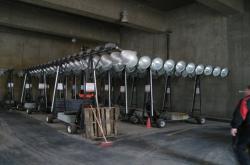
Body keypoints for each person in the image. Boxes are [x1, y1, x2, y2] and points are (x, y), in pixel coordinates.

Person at [231, 86, 250, 165]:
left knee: (239, 148)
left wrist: (234, 126)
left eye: (246, 90)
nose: (244, 91)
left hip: (248, 128)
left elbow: (240, 114)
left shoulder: (246, 100)